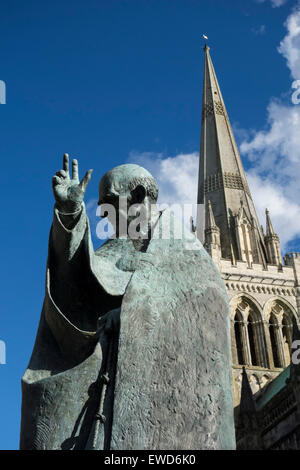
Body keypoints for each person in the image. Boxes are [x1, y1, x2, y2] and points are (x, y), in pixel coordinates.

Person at [20, 154, 235, 450]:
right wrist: (70, 214)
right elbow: (74, 290)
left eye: (107, 201)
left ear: (137, 196)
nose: (102, 214)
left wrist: (132, 315)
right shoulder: (112, 248)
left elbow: (206, 307)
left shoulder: (186, 252)